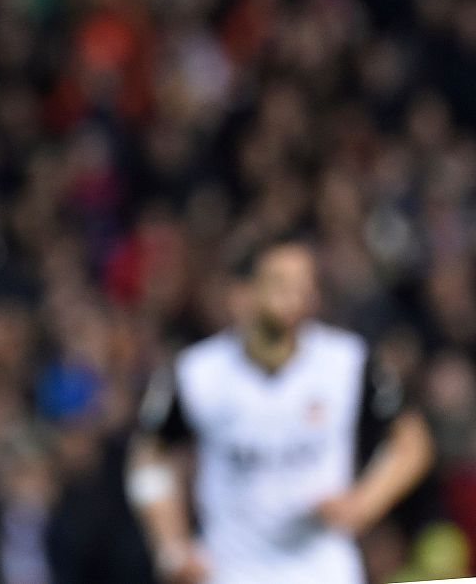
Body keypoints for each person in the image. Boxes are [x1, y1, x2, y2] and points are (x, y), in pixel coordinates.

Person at [127, 232, 434, 584]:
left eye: (304, 284)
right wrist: (171, 545)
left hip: (325, 570)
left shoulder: (348, 363)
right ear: (242, 294)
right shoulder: (195, 374)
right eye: (280, 283)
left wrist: (364, 503)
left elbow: (412, 442)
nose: (296, 297)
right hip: (232, 571)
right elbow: (149, 458)